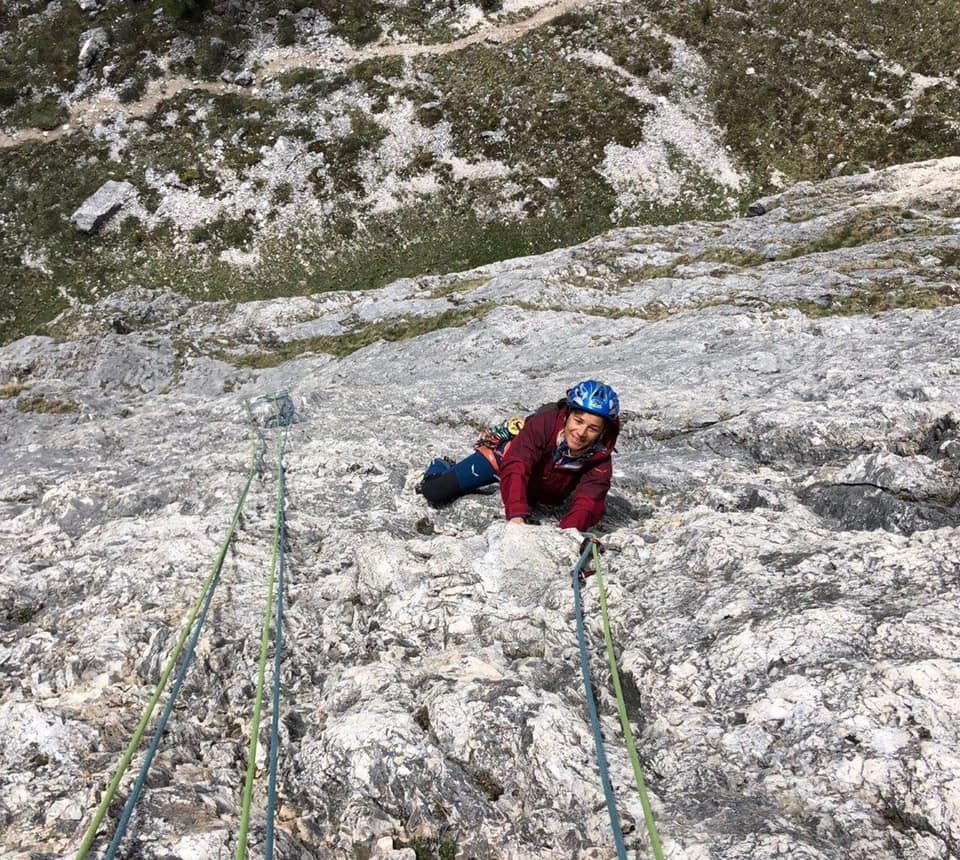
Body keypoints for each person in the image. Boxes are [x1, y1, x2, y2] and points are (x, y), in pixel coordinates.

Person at [416, 380, 620, 532]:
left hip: (543, 489)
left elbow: (590, 500)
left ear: (602, 432)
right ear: (567, 415)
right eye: (578, 421)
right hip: (500, 461)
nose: (581, 432)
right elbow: (517, 465)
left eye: (592, 428)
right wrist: (516, 515)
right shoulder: (543, 424)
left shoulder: (599, 457)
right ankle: (440, 466)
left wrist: (568, 533)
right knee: (434, 492)